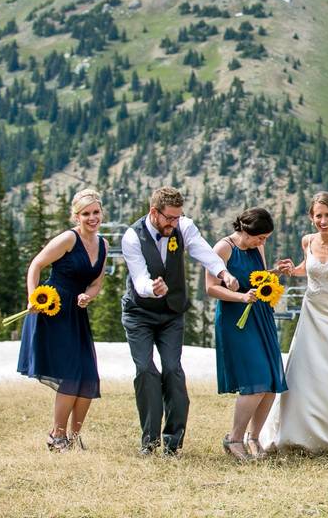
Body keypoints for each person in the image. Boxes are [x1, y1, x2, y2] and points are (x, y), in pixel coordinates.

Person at [120, 187, 239, 456]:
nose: (174, 224)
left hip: (171, 314)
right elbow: (139, 279)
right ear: (154, 212)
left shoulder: (183, 227)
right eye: (169, 219)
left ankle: (173, 443)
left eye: (178, 218)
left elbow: (203, 251)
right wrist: (153, 288)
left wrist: (224, 273)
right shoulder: (132, 237)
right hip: (139, 313)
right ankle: (149, 443)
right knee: (146, 370)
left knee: (173, 370)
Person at [260, 191, 328, 455]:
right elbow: (309, 268)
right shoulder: (307, 241)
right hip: (311, 316)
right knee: (300, 376)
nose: (323, 220)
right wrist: (292, 270)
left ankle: (327, 440)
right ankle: (294, 435)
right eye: (318, 216)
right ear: (311, 217)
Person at [18, 189, 107, 452]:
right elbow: (36, 265)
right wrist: (32, 298)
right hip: (54, 311)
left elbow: (96, 283)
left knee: (88, 376)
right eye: (86, 214)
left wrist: (87, 297)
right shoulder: (69, 239)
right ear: (76, 216)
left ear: (101, 213)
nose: (92, 218)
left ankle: (73, 437)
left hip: (76, 313)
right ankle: (56, 436)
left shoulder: (102, 245)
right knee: (71, 374)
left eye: (96, 212)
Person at [207, 207, 288, 461]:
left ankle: (254, 438)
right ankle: (234, 438)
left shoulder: (258, 247)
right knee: (255, 381)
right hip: (236, 319)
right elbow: (211, 288)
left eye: (265, 239)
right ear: (245, 230)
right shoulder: (223, 249)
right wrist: (241, 297)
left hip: (260, 314)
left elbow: (260, 280)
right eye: (260, 238)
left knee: (271, 383)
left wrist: (276, 273)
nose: (262, 242)